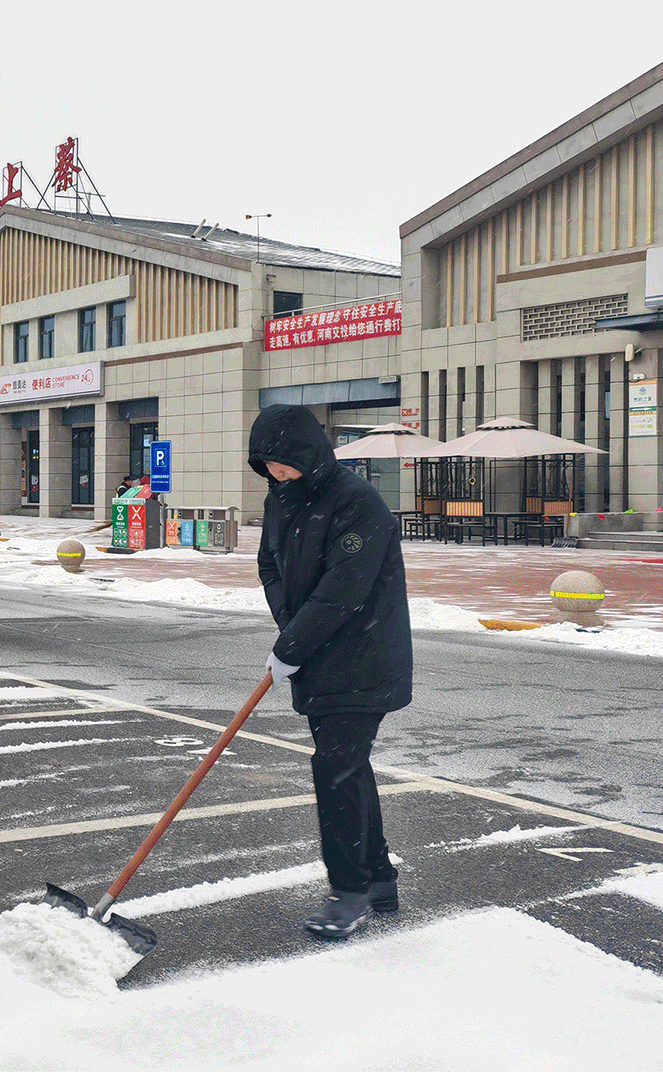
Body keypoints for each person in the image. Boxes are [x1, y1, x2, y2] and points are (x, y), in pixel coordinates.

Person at [249, 403, 412, 941]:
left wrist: (292, 644)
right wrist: (291, 627)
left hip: (364, 658)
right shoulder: (283, 500)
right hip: (318, 657)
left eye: (282, 462)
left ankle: (349, 891)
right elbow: (269, 565)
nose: (275, 473)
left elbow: (344, 590)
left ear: (308, 453)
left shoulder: (356, 502)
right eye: (266, 464)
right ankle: (379, 878)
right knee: (349, 768)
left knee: (336, 768)